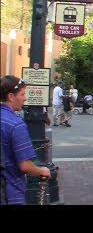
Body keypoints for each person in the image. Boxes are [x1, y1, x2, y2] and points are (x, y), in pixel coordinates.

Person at [1, 75, 51, 205]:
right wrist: (42, 170)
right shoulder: (16, 125)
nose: (25, 98)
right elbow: (25, 166)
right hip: (9, 192)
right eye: (22, 94)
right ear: (11, 97)